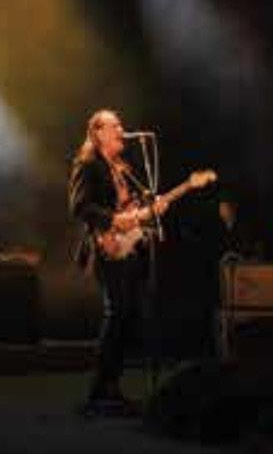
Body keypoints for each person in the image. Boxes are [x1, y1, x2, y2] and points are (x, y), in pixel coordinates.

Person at [68, 109, 162, 415]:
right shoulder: (88, 165)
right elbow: (79, 206)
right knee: (117, 313)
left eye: (121, 124)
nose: (122, 129)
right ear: (98, 133)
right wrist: (113, 220)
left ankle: (111, 387)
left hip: (129, 248)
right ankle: (100, 389)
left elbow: (131, 208)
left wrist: (149, 209)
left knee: (128, 316)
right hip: (105, 246)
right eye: (115, 125)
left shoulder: (123, 168)